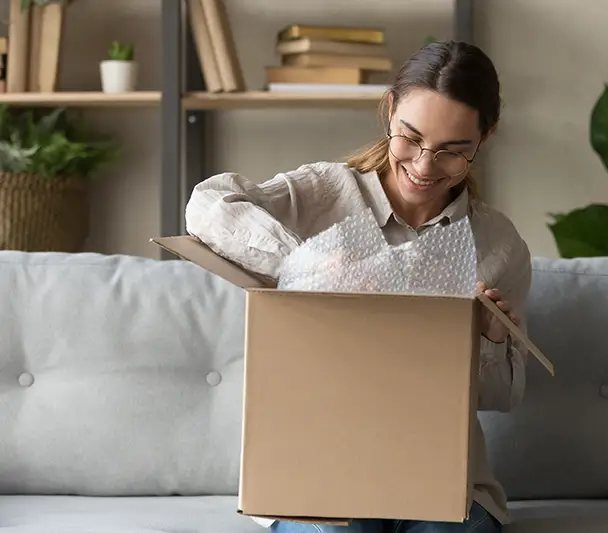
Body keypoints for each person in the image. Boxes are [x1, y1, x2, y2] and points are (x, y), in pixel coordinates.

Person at [185, 40, 532, 533]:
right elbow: (206, 206)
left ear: (485, 138)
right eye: (409, 139)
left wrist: (490, 341)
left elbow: (502, 398)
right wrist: (314, 266)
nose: (424, 166)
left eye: (453, 152)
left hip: (443, 479)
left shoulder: (498, 245)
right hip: (319, 470)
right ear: (389, 110)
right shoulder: (323, 193)